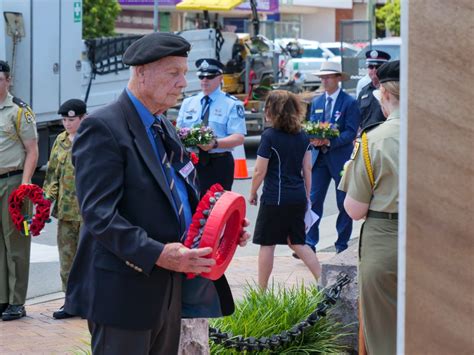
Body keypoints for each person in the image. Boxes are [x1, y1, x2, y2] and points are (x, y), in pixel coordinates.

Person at [63, 32, 249, 354]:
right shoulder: (103, 127)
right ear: (141, 73)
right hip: (124, 289)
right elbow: (99, 216)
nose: (183, 83)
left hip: (169, 285)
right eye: (173, 73)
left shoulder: (164, 126)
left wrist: (219, 228)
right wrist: (159, 254)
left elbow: (183, 194)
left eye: (184, 74)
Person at [339, 60, 400, 354]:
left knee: (383, 336)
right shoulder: (447, 139)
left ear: (386, 96)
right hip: (436, 239)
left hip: (386, 240)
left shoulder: (373, 141)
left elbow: (354, 209)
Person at [249, 90, 321, 289]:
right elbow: (307, 168)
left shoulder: (269, 136)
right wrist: (307, 197)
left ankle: (261, 291)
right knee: (298, 242)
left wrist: (252, 192)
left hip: (275, 197)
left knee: (267, 243)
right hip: (297, 196)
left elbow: (259, 170)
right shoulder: (302, 136)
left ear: (273, 111)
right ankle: (324, 281)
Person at [303, 61, 361, 255]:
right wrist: (313, 139)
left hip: (339, 158)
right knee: (314, 199)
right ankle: (310, 242)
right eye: (322, 77)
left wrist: (329, 142)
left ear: (338, 79)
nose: (324, 81)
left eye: (328, 77)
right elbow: (311, 126)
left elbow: (350, 132)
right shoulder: (317, 102)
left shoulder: (349, 102)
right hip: (319, 159)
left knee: (343, 201)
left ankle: (342, 244)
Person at [0, 60, 39, 321]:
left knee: (15, 243)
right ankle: (2, 298)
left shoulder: (19, 111)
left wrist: (25, 185)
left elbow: (32, 150)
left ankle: (17, 301)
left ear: (8, 80)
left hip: (12, 181)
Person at [42, 99, 86, 319]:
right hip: (66, 210)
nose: (67, 124)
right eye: (64, 120)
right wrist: (46, 200)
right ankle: (70, 302)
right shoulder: (59, 140)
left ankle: (89, 302)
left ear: (82, 118)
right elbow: (52, 173)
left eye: (71, 120)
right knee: (67, 258)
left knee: (87, 259)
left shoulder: (91, 139)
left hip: (88, 211)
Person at [177, 58, 246, 194]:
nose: (205, 80)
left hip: (218, 163)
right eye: (201, 76)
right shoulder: (188, 102)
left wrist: (214, 144)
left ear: (220, 77)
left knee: (216, 208)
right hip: (192, 161)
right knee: (191, 204)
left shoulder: (231, 104)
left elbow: (238, 137)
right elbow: (179, 131)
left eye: (210, 76)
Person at [357, 50, 391, 131]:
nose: (374, 70)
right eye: (371, 67)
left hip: (384, 136)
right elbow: (357, 117)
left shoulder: (390, 90)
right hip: (366, 137)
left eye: (378, 67)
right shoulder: (364, 91)